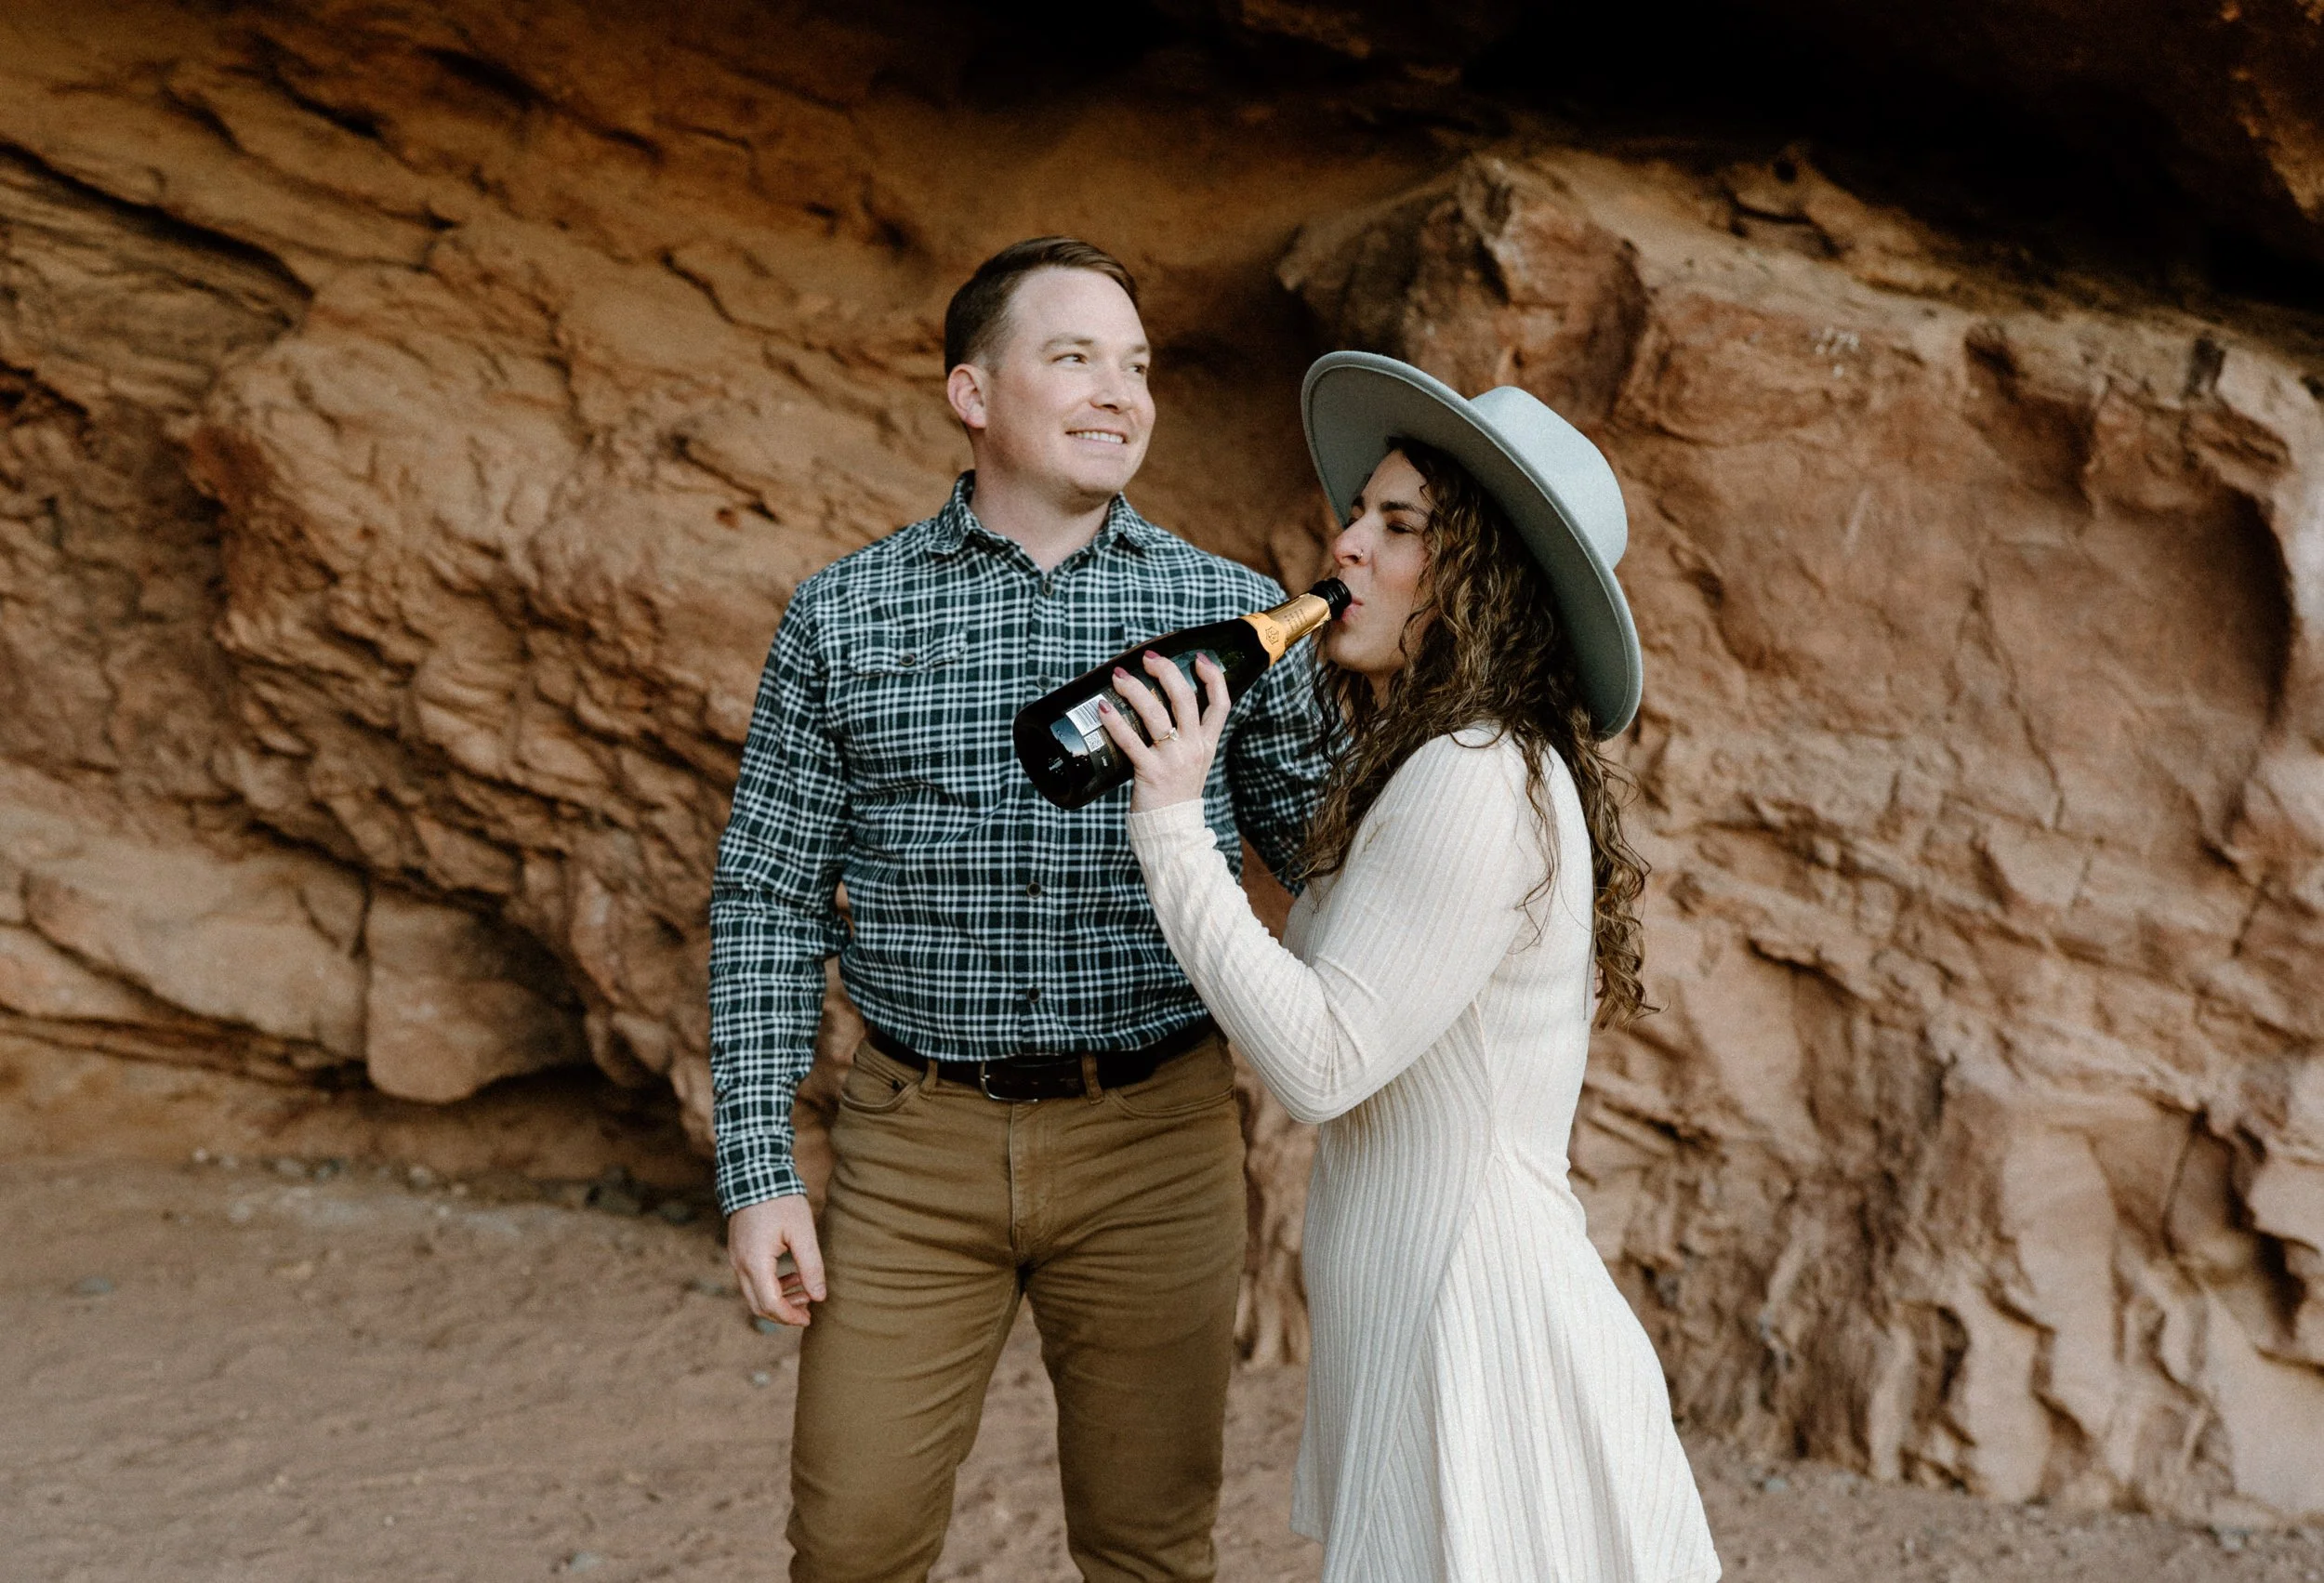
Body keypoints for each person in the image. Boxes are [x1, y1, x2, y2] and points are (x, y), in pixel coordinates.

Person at [706, 237, 1327, 1583]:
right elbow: (766, 896)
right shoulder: (843, 614)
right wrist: (759, 1171)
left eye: (1138, 365)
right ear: (972, 394)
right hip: (913, 1143)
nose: (1121, 392)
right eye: (1075, 357)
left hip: (1155, 1135)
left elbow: (1337, 864)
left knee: (1152, 1547)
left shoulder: (1226, 611)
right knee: (853, 1540)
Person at [1097, 351, 1723, 1582]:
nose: (1345, 547)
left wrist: (1170, 822)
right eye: (1356, 515)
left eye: (1400, 526)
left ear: (1485, 575)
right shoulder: (1430, 761)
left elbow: (1323, 1058)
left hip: (1480, 1339)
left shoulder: (1477, 772)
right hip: (1430, 1324)